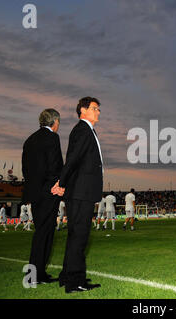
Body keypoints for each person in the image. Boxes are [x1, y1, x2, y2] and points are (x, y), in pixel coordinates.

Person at [51, 96, 103, 293]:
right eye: (95, 108)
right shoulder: (82, 130)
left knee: (76, 236)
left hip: (82, 191)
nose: (98, 112)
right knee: (79, 237)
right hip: (81, 192)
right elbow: (72, 159)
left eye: (98, 109)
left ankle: (69, 276)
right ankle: (75, 282)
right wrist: (61, 182)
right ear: (83, 110)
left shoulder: (87, 131)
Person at [22, 108, 63, 284]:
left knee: (42, 232)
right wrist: (59, 185)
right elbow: (55, 165)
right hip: (48, 192)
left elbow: (26, 169)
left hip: (34, 193)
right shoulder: (52, 137)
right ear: (54, 122)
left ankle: (38, 273)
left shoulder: (30, 140)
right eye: (58, 122)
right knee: (44, 234)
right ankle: (35, 275)